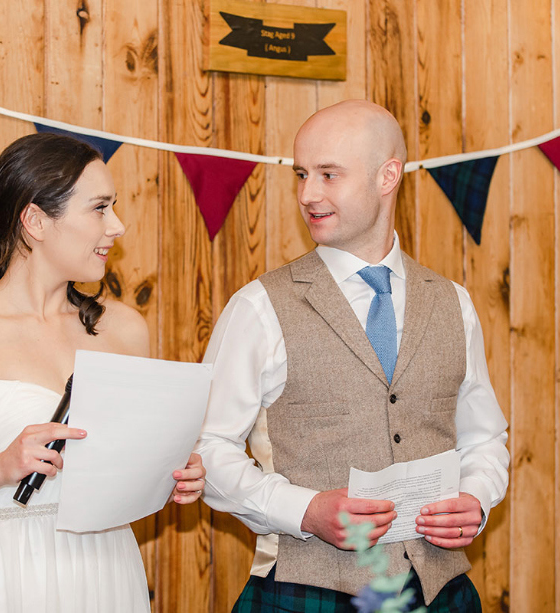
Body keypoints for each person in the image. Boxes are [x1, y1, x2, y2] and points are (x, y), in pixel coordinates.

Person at [196, 100, 510, 611]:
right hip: (306, 591)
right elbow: (207, 451)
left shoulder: (453, 302)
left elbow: (485, 437)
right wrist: (305, 511)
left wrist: (475, 496)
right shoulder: (258, 307)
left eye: (328, 174)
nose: (307, 194)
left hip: (441, 592)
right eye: (301, 174)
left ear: (388, 176)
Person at [0, 133, 205, 613]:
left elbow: (125, 460)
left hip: (104, 568)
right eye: (99, 208)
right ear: (35, 221)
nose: (117, 226)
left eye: (113, 206)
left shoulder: (126, 330)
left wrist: (175, 471)